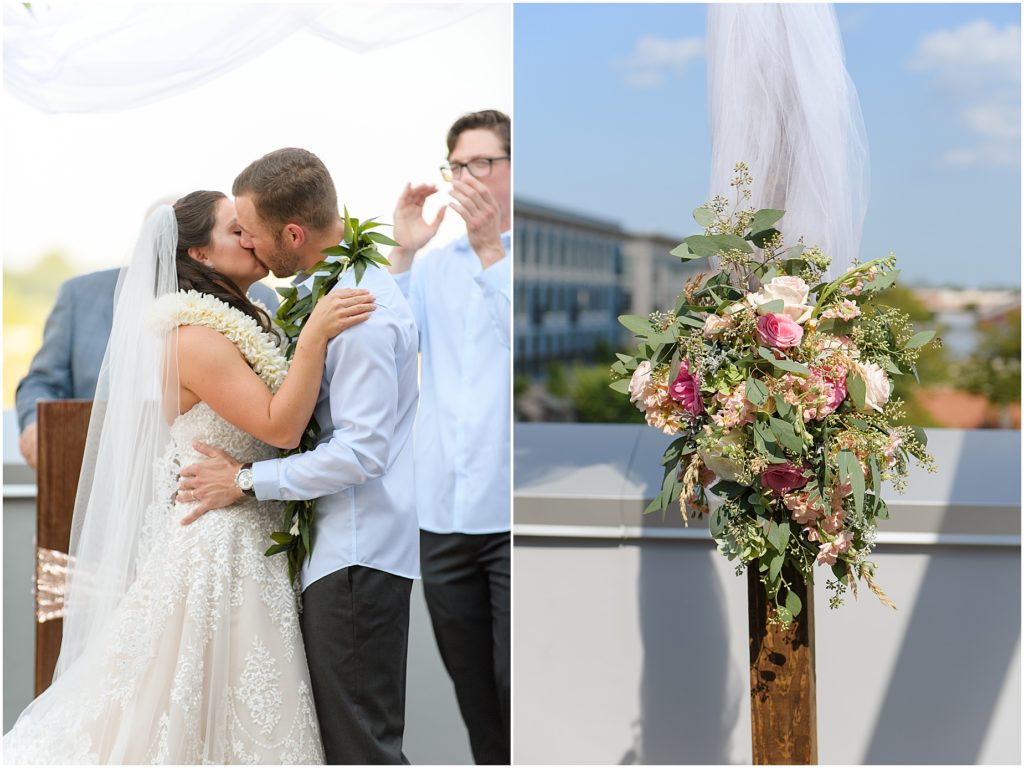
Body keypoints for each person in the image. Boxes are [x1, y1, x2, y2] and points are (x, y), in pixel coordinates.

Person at [3, 190, 376, 763]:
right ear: (200, 255)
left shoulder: (250, 320)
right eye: (236, 232)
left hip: (253, 531)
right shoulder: (194, 337)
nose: (252, 238)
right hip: (217, 544)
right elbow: (279, 427)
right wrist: (319, 336)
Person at [177, 148, 421, 765]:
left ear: (291, 233)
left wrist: (244, 479)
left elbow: (362, 453)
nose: (253, 250)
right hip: (335, 552)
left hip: (357, 556)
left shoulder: (358, 313)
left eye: (253, 235)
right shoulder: (336, 292)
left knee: (361, 748)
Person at [388, 109, 511, 764]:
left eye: (483, 163)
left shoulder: (519, 260)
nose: (468, 178)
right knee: (474, 696)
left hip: (508, 515)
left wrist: (493, 248)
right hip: (440, 516)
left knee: (516, 683)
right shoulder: (435, 269)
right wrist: (404, 250)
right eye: (458, 166)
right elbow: (385, 343)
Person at [15, 265, 280, 471]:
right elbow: (42, 381)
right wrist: (35, 425)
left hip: (205, 470)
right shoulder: (81, 294)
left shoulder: (259, 296)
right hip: (104, 465)